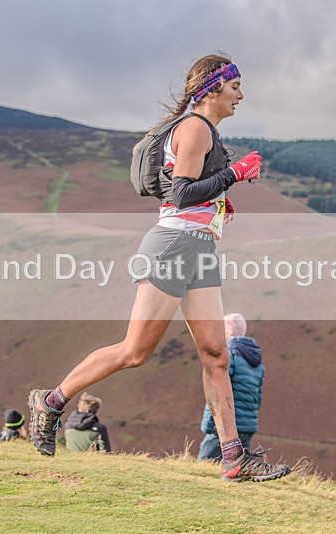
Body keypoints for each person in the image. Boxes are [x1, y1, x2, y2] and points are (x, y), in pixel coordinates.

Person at [28, 54, 291, 482]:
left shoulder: (207, 134)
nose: (241, 95)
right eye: (236, 86)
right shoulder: (194, 129)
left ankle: (233, 459)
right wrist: (235, 175)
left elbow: (190, 193)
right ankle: (51, 402)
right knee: (135, 351)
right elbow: (182, 194)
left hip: (199, 246)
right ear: (213, 87)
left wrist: (219, 202)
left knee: (216, 354)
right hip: (173, 246)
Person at [198, 313, 264, 461]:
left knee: (204, 464)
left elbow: (217, 391)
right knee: (239, 467)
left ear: (226, 332)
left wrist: (211, 423)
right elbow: (258, 399)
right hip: (248, 426)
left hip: (226, 427)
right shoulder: (256, 361)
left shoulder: (228, 354)